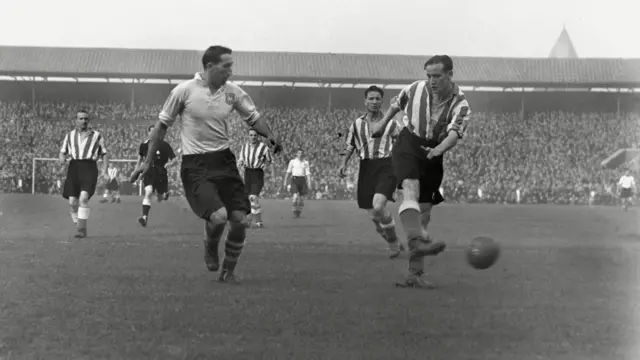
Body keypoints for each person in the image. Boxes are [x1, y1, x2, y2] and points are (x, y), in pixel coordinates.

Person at [130, 45, 282, 284]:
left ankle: (228, 271)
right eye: (227, 66)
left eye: (232, 66)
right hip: (196, 164)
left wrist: (270, 135)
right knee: (219, 217)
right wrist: (147, 161)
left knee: (241, 220)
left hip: (224, 161)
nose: (231, 71)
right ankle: (210, 245)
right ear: (210, 66)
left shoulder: (232, 93)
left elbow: (253, 118)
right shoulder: (184, 92)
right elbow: (161, 126)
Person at [371, 55, 472, 289]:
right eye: (429, 75)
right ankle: (415, 241)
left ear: (450, 75)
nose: (432, 80)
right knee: (410, 187)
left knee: (424, 213)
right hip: (408, 143)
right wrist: (382, 125)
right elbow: (397, 103)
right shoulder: (416, 88)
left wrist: (438, 149)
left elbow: (455, 134)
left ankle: (414, 274)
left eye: (437, 76)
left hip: (434, 152)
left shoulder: (461, 105)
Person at [339, 85, 404, 258]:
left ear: (382, 101)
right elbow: (349, 145)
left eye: (377, 99)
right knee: (374, 216)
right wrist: (343, 163)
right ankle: (389, 235)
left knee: (378, 206)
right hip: (366, 167)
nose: (374, 102)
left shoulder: (391, 123)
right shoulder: (357, 124)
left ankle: (393, 243)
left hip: (386, 166)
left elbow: (401, 146)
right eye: (371, 98)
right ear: (365, 101)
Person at [60, 110, 108, 238]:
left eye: (86, 119)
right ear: (76, 120)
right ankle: (78, 223)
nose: (83, 121)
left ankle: (81, 229)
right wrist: (61, 158)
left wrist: (105, 170)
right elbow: (63, 151)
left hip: (89, 167)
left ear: (88, 120)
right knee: (72, 202)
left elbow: (104, 153)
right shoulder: (69, 135)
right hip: (74, 167)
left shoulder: (96, 135)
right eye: (80, 119)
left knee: (83, 198)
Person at [133, 125, 177, 227]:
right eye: (151, 132)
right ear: (148, 133)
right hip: (149, 172)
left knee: (160, 198)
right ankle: (144, 217)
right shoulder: (144, 145)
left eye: (155, 132)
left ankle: (163, 195)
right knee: (148, 192)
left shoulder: (165, 145)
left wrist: (168, 164)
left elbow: (174, 160)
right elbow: (139, 160)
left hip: (161, 172)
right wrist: (136, 171)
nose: (153, 134)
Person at [238, 129, 274, 228]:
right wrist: (240, 162)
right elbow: (241, 158)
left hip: (257, 173)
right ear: (248, 136)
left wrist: (266, 168)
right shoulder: (244, 147)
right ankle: (259, 223)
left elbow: (270, 160)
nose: (253, 137)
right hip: (247, 173)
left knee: (253, 197)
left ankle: (249, 222)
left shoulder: (263, 147)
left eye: (255, 135)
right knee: (250, 199)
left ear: (257, 136)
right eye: (251, 135)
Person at [283, 149, 311, 218]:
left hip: (303, 180)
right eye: (299, 153)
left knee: (301, 199)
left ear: (303, 154)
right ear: (296, 154)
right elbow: (288, 171)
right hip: (294, 180)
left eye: (301, 153)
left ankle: (299, 212)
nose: (300, 154)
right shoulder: (292, 162)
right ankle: (295, 211)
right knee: (295, 197)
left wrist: (309, 182)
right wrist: (285, 181)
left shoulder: (305, 163)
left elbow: (307, 173)